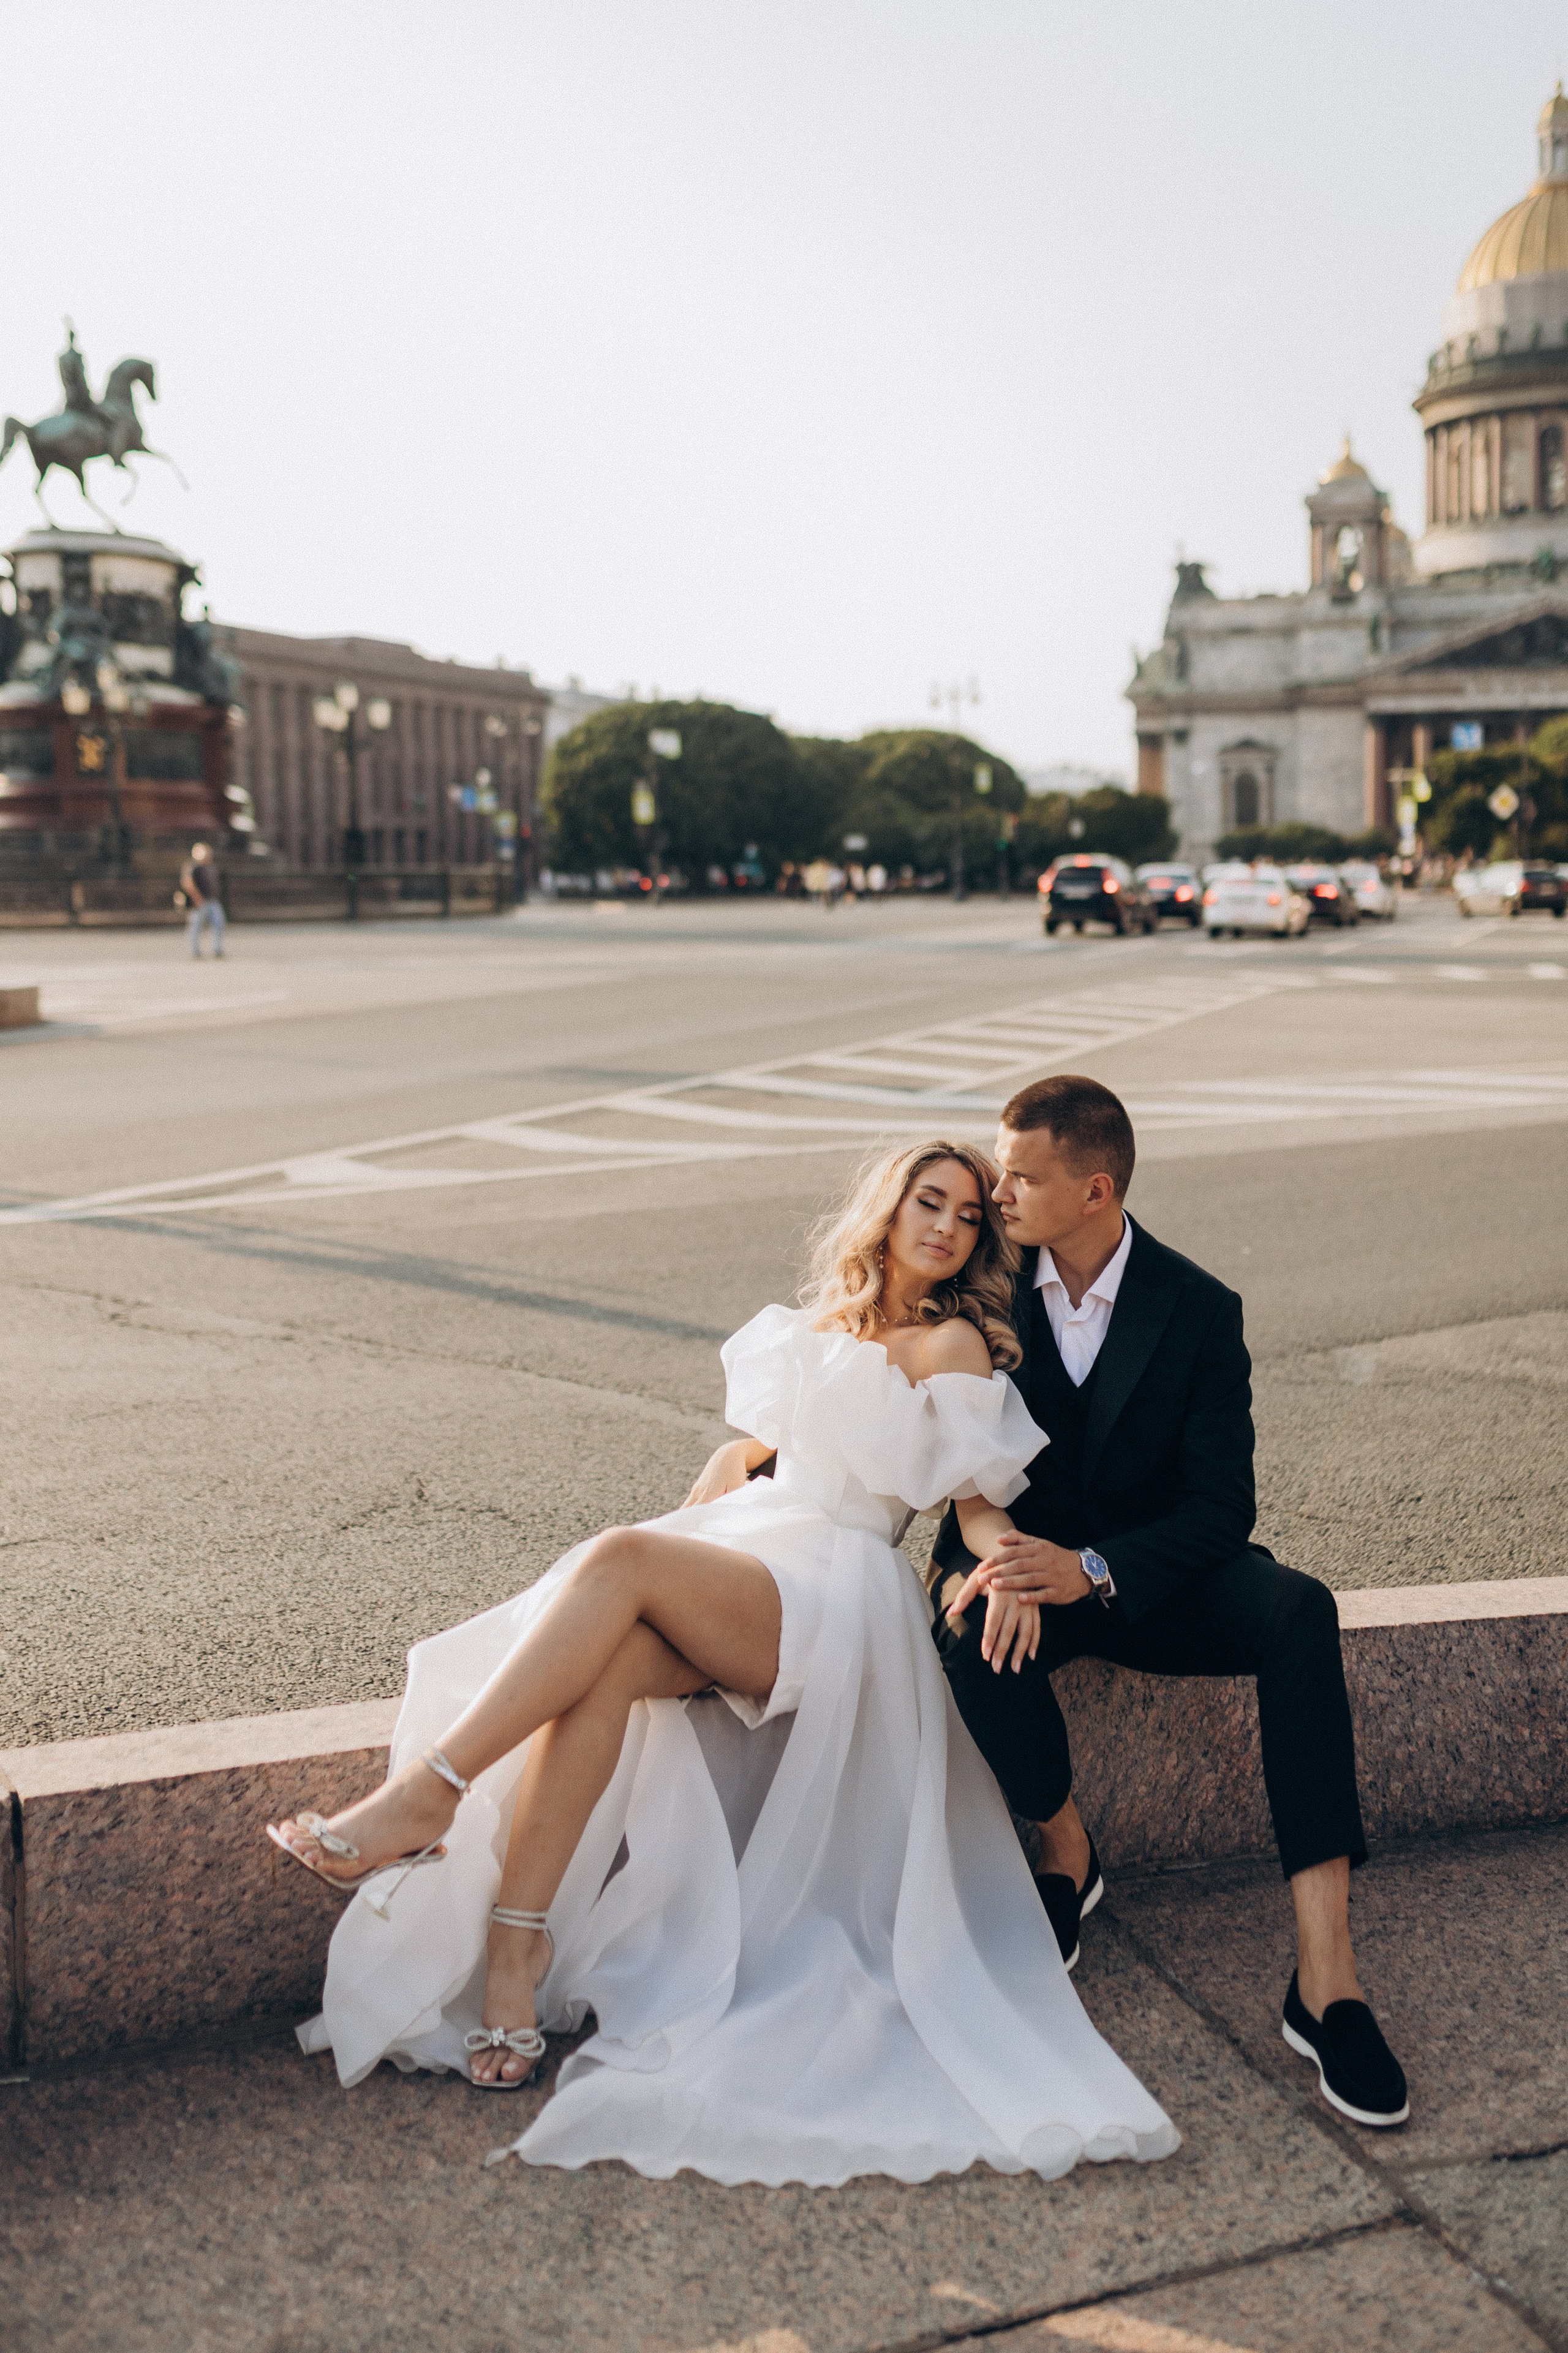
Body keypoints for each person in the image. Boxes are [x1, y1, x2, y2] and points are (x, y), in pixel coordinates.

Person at [269, 1140, 1178, 2186]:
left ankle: (429, 1793)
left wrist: (1013, 1573)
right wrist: (711, 1508)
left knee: (614, 1557)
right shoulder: (812, 1330)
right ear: (887, 1209)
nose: (947, 1226)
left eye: (969, 1216)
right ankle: (517, 1956)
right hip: (750, 1550)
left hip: (835, 1586)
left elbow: (975, 1502)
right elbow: (738, 1474)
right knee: (602, 1666)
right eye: (929, 1202)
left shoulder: (954, 1347)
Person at [929, 1074, 1410, 2131]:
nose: (995, 1194)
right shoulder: (982, 1283)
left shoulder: (1199, 1309)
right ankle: (1065, 1847)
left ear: (1095, 1190)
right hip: (1018, 1570)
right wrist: (1014, 1563)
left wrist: (1095, 1565)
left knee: (1299, 1608)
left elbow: (1221, 1505)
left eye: (1021, 1176)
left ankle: (1326, 1980)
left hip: (1153, 1578)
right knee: (962, 1621)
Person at [179, 844, 225, 957]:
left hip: (212, 900)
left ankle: (217, 949)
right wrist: (197, 898)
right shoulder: (193, 867)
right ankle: (195, 951)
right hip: (199, 902)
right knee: (196, 926)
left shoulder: (210, 867)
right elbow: (187, 883)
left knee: (219, 923)